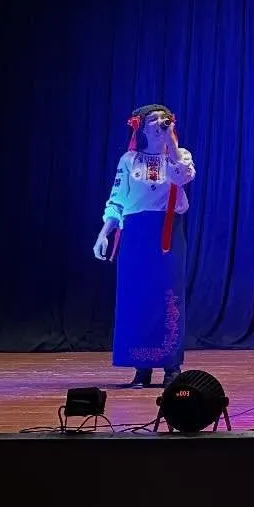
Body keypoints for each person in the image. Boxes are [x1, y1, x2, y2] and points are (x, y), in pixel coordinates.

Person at [92, 104, 196, 388]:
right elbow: (117, 199)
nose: (160, 123)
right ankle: (141, 367)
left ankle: (171, 366)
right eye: (153, 120)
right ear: (141, 127)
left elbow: (182, 176)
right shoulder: (129, 160)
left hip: (167, 233)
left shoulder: (180, 156)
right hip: (136, 233)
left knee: (168, 296)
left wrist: (171, 144)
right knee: (137, 297)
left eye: (164, 119)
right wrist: (104, 233)